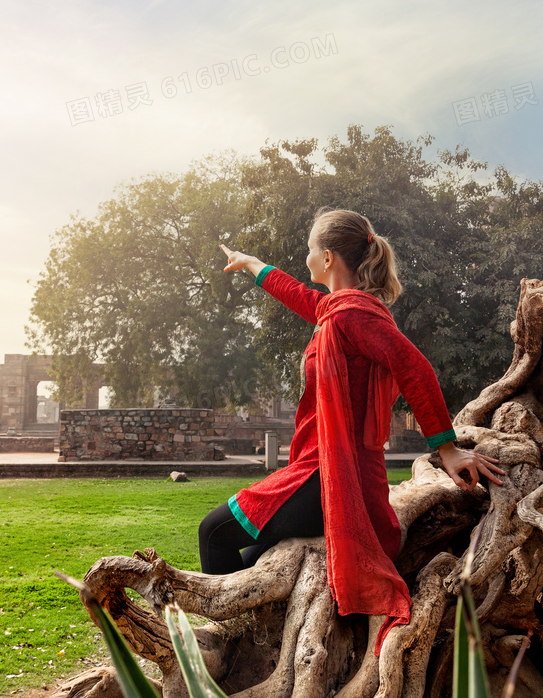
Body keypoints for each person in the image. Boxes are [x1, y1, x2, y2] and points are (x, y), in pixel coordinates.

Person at [200, 208, 504, 654]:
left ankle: (229, 647)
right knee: (249, 559)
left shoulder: (352, 316)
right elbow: (298, 293)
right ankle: (249, 643)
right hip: (324, 470)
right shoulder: (337, 310)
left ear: (326, 258)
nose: (305, 260)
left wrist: (448, 449)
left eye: (308, 251)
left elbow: (414, 368)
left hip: (331, 478)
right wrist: (250, 264)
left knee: (214, 532)